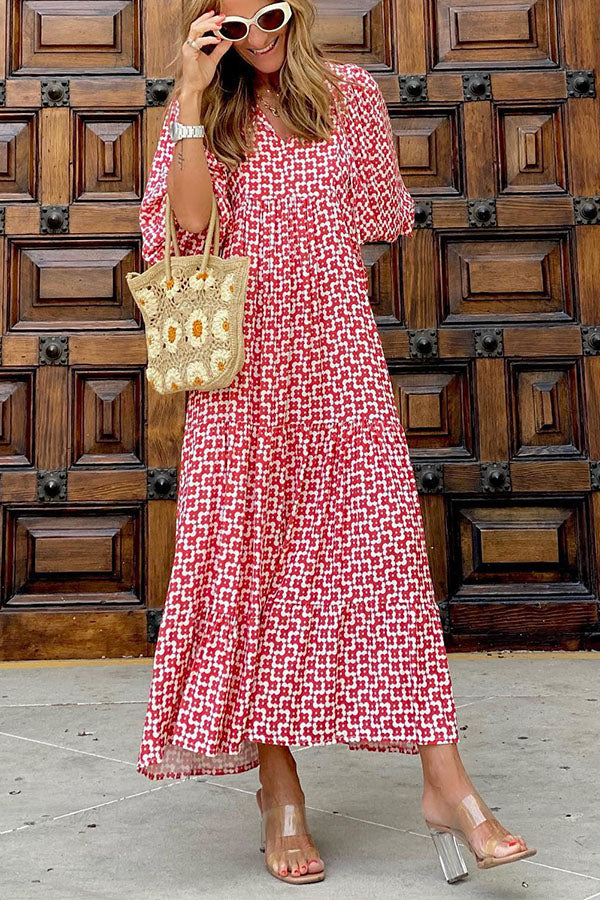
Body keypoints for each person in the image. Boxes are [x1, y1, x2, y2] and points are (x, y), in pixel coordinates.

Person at [135, 0, 536, 886]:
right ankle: (279, 791)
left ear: (297, 10)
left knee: (383, 564)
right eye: (232, 26)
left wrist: (317, 295)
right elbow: (190, 229)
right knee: (250, 571)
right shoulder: (202, 112)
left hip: (338, 362)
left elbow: (370, 221)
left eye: (270, 14)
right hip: (242, 378)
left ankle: (448, 785)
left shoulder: (350, 94)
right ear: (210, 33)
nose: (257, 36)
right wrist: (192, 98)